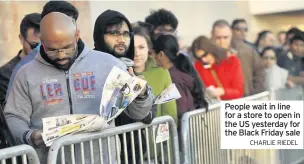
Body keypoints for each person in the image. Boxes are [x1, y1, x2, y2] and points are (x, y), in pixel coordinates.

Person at [4, 12, 153, 163]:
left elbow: (138, 114)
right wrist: (28, 136)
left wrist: (141, 95)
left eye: (67, 47)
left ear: (76, 35)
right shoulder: (26, 74)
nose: (61, 55)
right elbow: (14, 116)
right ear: (42, 41)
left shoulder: (108, 64)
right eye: (52, 49)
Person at [93, 10, 155, 164]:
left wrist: (141, 95)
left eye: (126, 34)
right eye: (114, 33)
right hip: (102, 153)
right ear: (100, 36)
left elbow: (146, 116)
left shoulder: (129, 67)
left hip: (133, 152)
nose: (121, 39)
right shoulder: (89, 68)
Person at [5, 0, 80, 101]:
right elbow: (14, 114)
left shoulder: (96, 61)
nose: (61, 55)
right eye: (60, 24)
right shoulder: (24, 70)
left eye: (71, 24)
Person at [153, 34, 208, 122]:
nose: (152, 58)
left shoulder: (172, 77)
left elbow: (181, 107)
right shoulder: (182, 71)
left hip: (183, 129)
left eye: (152, 53)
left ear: (161, 54)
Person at [133, 25, 177, 123]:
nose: (137, 53)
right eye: (132, 48)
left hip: (159, 135)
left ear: (148, 49)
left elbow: (170, 110)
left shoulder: (162, 72)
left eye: (141, 47)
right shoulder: (120, 74)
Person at [211, 19, 265, 96]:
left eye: (225, 37)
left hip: (245, 96)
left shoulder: (247, 50)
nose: (222, 41)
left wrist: (255, 93)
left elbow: (259, 72)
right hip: (220, 98)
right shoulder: (207, 53)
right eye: (218, 37)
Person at [0, 13, 41, 106]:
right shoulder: (5, 74)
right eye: (34, 45)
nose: (39, 51)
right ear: (21, 39)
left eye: (45, 46)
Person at [192, 36, 244, 100]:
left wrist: (223, 91)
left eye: (205, 55)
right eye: (199, 58)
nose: (203, 60)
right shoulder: (199, 65)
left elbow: (239, 91)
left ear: (211, 49)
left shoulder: (232, 61)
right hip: (214, 106)